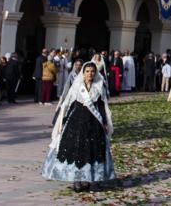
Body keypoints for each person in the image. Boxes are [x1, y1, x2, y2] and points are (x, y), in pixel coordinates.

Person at [41, 62, 115, 192]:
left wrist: (104, 122)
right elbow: (69, 104)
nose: (90, 73)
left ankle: (87, 179)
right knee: (76, 149)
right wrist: (63, 121)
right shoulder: (77, 86)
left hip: (93, 123)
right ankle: (76, 180)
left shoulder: (99, 87)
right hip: (77, 121)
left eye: (92, 71)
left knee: (91, 150)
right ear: (83, 72)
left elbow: (102, 106)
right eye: (87, 71)